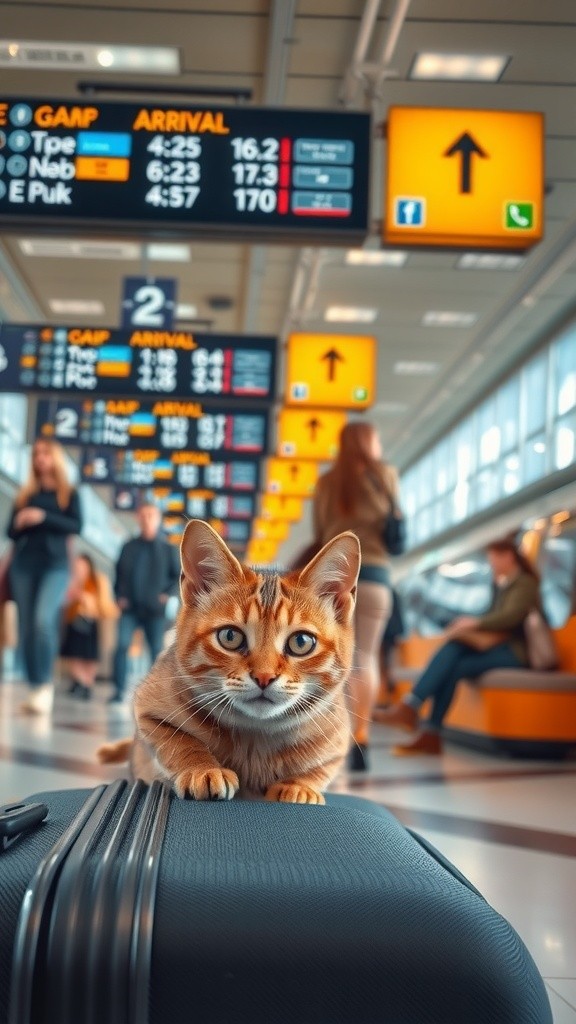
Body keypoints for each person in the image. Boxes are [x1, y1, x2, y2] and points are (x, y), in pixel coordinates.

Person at [374, 536, 542, 755]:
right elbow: (496, 616)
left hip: (517, 653)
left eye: (493, 559)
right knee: (456, 663)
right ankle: (428, 731)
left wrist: (476, 623)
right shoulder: (502, 585)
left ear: (508, 557)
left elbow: (512, 617)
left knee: (454, 650)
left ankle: (413, 708)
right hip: (498, 648)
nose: (491, 564)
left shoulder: (524, 584)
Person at [312, 421, 400, 770]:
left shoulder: (327, 483)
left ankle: (340, 733)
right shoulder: (385, 475)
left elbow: (320, 533)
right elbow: (397, 523)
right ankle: (362, 735)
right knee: (367, 655)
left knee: (337, 656)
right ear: (368, 442)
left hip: (333, 576)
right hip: (377, 574)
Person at [7, 437, 82, 714]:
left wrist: (42, 517)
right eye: (36, 454)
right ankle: (34, 686)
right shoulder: (24, 494)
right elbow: (10, 534)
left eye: (45, 454)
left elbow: (77, 525)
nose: (40, 459)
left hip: (56, 565)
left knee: (42, 621)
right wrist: (20, 521)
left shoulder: (68, 494)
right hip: (24, 565)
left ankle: (44, 683)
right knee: (26, 627)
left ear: (55, 458)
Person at [110, 502, 181, 703]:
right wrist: (118, 596)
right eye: (143, 515)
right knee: (121, 645)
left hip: (155, 611)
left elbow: (178, 577)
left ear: (158, 519)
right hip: (129, 609)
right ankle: (118, 691)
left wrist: (167, 595)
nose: (147, 519)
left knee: (157, 651)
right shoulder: (128, 546)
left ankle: (155, 695)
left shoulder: (168, 549)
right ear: (137, 518)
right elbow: (118, 574)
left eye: (151, 515)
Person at [60, 553, 118, 699]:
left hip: (92, 623)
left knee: (89, 655)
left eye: (82, 565)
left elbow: (105, 604)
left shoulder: (98, 581)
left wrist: (89, 601)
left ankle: (86, 684)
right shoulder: (71, 580)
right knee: (74, 654)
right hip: (74, 621)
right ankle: (79, 682)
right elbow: (63, 600)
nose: (79, 568)